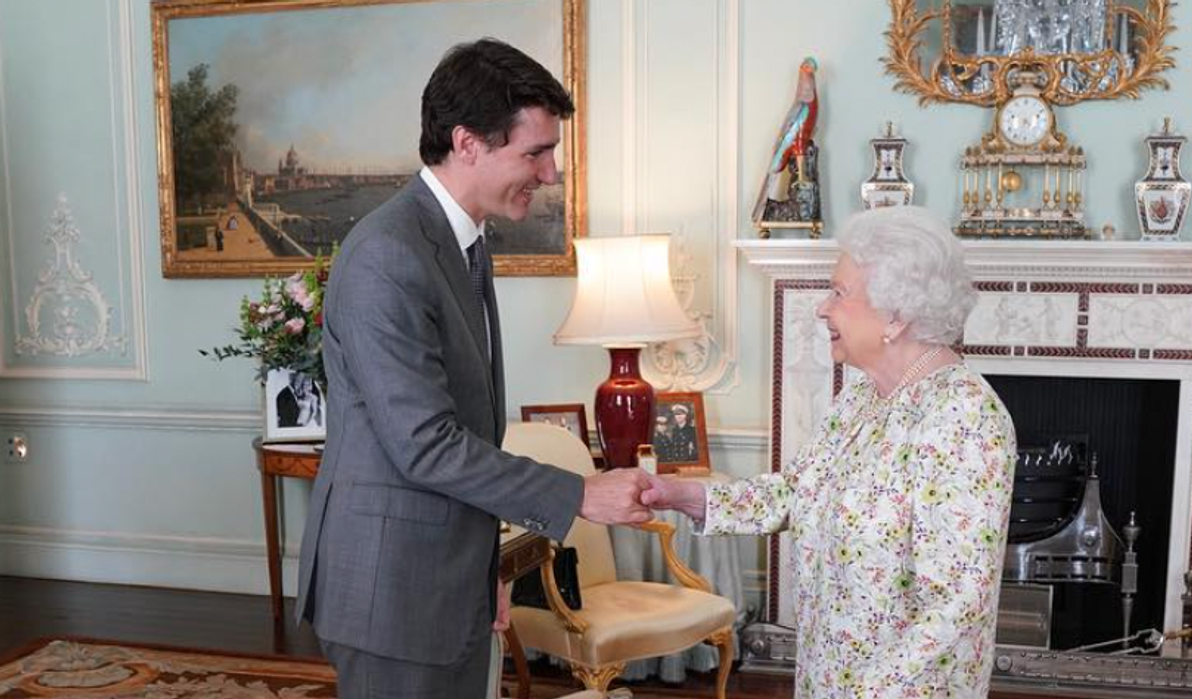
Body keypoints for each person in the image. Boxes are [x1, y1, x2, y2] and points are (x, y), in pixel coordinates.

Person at [295, 39, 653, 699]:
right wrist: (579, 493)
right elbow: (425, 443)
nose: (549, 175)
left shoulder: (461, 239)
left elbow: (468, 424)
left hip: (442, 574)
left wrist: (483, 565)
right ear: (467, 143)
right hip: (392, 592)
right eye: (535, 153)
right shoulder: (387, 254)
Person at [642, 206, 1017, 698]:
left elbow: (958, 604)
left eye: (839, 293)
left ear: (897, 314)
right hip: (828, 679)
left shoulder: (964, 418)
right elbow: (797, 492)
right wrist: (683, 495)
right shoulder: (861, 397)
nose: (822, 308)